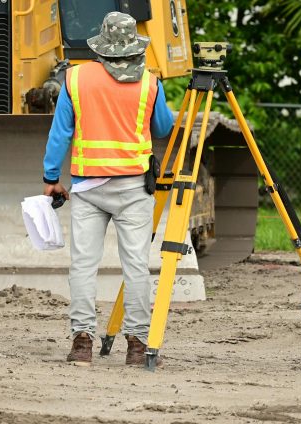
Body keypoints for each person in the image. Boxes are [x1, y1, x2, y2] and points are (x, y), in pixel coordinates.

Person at [42, 11, 174, 367]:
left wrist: (51, 177)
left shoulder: (74, 79)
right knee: (135, 266)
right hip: (134, 190)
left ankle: (82, 343)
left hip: (87, 187)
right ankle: (137, 346)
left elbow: (60, 134)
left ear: (100, 46)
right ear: (134, 46)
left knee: (83, 265)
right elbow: (162, 127)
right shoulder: (150, 83)